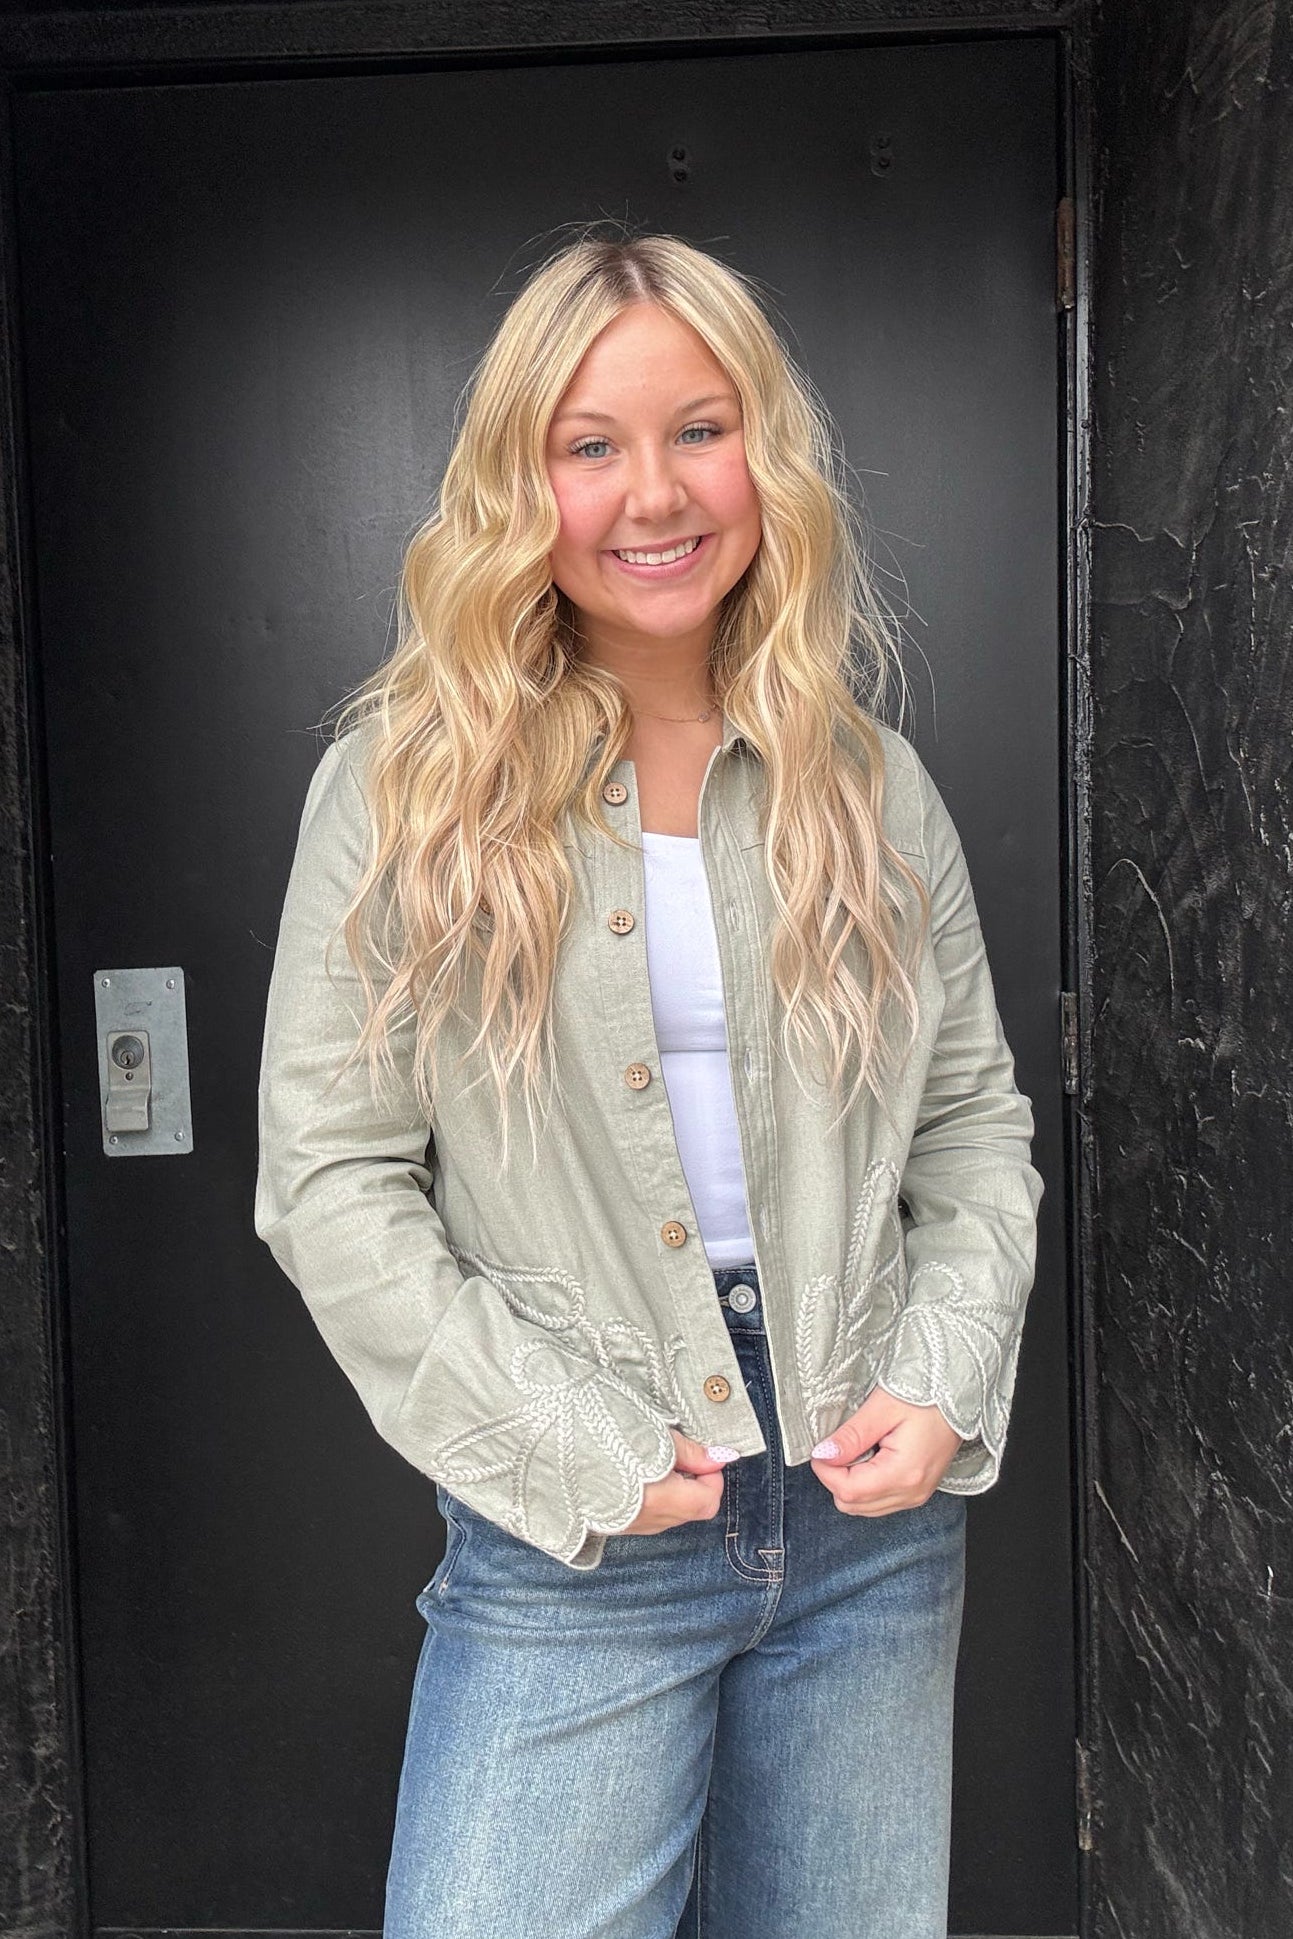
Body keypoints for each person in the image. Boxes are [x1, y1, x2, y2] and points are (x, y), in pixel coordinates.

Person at [254, 230, 1044, 1939]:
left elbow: (974, 1128)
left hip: (866, 1525)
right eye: (588, 444)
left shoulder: (870, 786)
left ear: (765, 454)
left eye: (700, 428)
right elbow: (328, 1181)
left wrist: (943, 1372)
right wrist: (564, 1449)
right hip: (579, 1536)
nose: (655, 492)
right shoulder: (402, 793)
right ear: (517, 485)